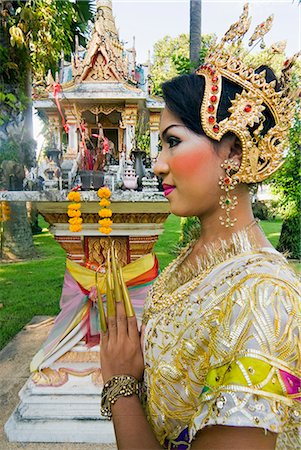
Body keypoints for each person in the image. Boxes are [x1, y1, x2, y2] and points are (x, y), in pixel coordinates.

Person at [100, 5, 300, 450]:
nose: (157, 165)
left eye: (173, 141)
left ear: (230, 150)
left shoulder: (266, 299)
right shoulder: (187, 264)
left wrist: (120, 386)